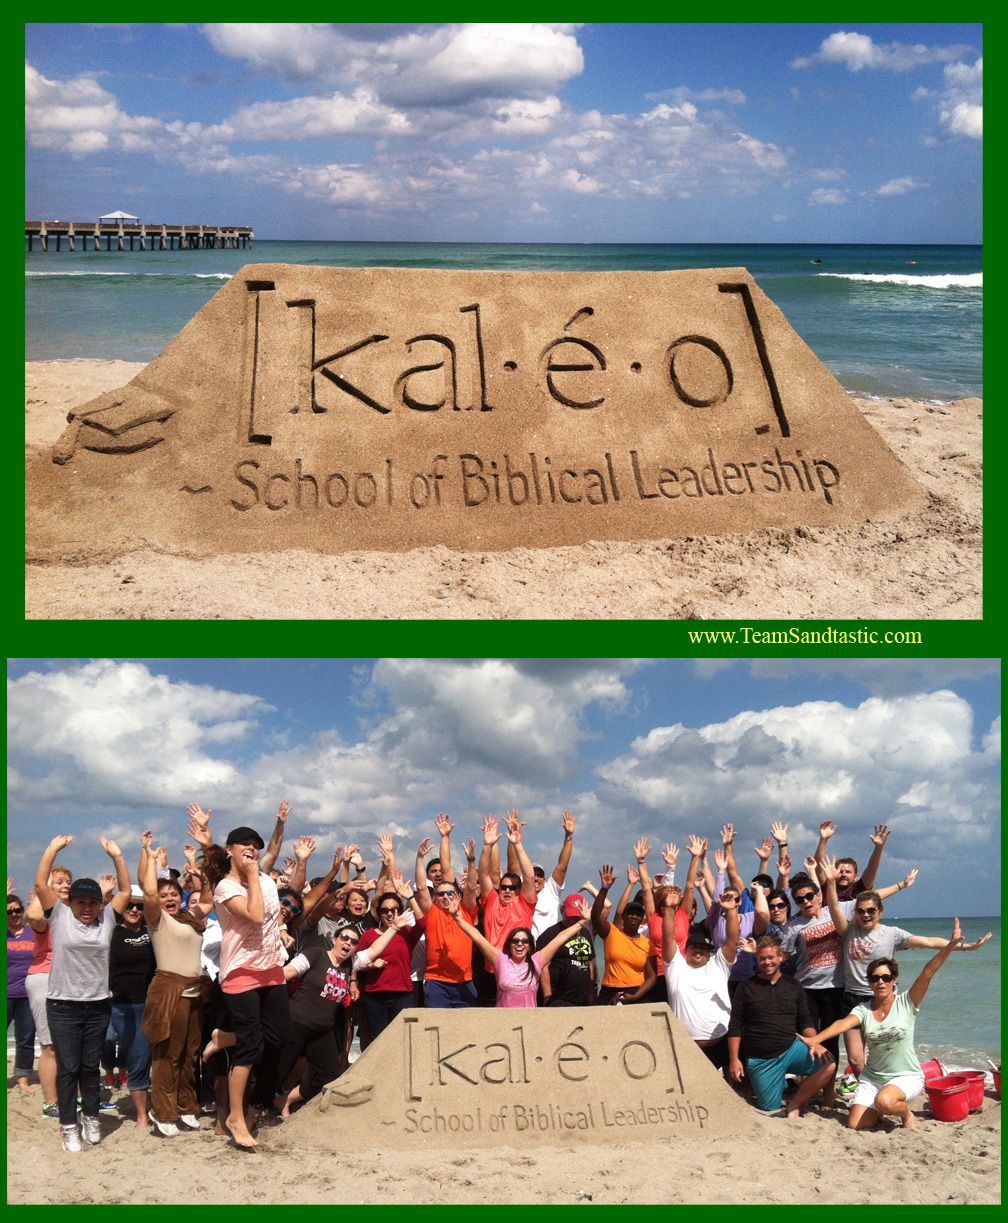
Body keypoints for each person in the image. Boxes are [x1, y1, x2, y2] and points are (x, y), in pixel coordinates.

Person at [819, 858, 992, 1076]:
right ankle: (868, 1088)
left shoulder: (892, 934)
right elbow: (833, 907)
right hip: (852, 999)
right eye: (861, 911)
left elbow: (927, 942)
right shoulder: (848, 931)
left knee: (883, 1054)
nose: (865, 915)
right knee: (855, 1058)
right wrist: (831, 883)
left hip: (883, 1001)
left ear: (880, 911)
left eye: (871, 910)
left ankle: (881, 1090)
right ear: (855, 912)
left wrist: (964, 946)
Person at [798, 920, 971, 1130]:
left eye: (886, 977)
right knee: (855, 1125)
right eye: (875, 978)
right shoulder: (863, 1010)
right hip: (872, 1079)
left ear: (894, 980)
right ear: (869, 982)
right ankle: (880, 1107)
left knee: (886, 1101)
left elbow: (927, 973)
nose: (881, 982)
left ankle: (906, 1115)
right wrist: (815, 1039)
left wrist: (950, 946)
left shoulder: (907, 1002)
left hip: (906, 1077)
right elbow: (843, 1024)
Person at [194, 805, 292, 1150]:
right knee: (252, 1046)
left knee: (280, 1036)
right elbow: (253, 914)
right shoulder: (225, 887)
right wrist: (251, 874)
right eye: (245, 844)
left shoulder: (264, 878)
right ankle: (235, 1116)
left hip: (271, 967)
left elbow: (274, 855)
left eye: (256, 844)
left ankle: (224, 1037)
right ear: (231, 851)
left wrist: (280, 822)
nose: (253, 848)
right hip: (240, 972)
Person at [34, 833, 132, 1152]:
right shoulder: (59, 916)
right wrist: (52, 848)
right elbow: (39, 887)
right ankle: (68, 1126)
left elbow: (127, 891)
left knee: (90, 1067)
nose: (87, 907)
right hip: (63, 1006)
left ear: (99, 903)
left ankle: (91, 1116)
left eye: (92, 902)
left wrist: (117, 857)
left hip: (97, 1006)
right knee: (69, 1068)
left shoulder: (107, 918)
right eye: (81, 902)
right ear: (70, 902)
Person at [276, 902, 415, 1113]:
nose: (348, 943)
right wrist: (261, 977)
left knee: (329, 1076)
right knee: (277, 1070)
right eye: (344, 938)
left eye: (354, 941)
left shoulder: (352, 963)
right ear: (334, 940)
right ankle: (251, 1112)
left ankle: (286, 1099)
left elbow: (375, 949)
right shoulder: (316, 954)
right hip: (296, 1022)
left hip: (322, 1030)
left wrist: (395, 928)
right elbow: (289, 972)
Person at [139, 829, 212, 1138]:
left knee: (190, 1053)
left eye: (173, 894)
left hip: (196, 991)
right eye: (164, 894)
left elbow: (208, 898)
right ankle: (164, 1111)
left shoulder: (190, 918)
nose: (168, 898)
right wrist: (150, 857)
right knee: (168, 1054)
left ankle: (186, 1105)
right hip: (171, 993)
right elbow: (150, 895)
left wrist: (199, 870)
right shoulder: (159, 921)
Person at [727, 935, 836, 1117]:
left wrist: (814, 1042)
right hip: (762, 1059)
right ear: (757, 959)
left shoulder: (793, 985)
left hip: (791, 1048)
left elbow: (805, 1021)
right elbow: (735, 1024)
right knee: (770, 1107)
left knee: (828, 1063)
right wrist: (734, 1059)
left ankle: (795, 1103)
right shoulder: (746, 986)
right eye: (762, 958)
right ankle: (777, 1090)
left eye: (771, 957)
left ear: (780, 957)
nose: (767, 962)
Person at [662, 838, 740, 1073]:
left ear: (709, 953)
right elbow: (668, 938)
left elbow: (732, 940)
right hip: (684, 1047)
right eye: (694, 948)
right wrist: (669, 909)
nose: (698, 951)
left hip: (721, 1046)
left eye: (703, 949)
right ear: (685, 951)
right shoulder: (675, 966)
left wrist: (731, 912)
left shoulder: (718, 965)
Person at [448, 892, 594, 1007]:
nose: (519, 944)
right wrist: (456, 917)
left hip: (529, 1023)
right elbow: (478, 937)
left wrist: (583, 922)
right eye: (515, 941)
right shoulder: (500, 960)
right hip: (504, 1022)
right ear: (509, 945)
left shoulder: (536, 961)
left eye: (524, 941)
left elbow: (560, 938)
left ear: (530, 946)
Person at [24, 865, 73, 1117]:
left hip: (72, 979)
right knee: (50, 1045)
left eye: (68, 882)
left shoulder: (74, 912)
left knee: (73, 1043)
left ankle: (75, 1097)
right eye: (59, 882)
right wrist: (41, 894)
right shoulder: (46, 914)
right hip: (44, 976)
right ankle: (51, 1102)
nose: (65, 886)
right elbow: (32, 917)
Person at [108, 884, 157, 1128]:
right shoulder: (111, 932)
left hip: (151, 1005)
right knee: (128, 1056)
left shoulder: (153, 931)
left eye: (140, 906)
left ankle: (148, 1112)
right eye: (130, 905)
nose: (135, 910)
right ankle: (139, 1113)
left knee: (147, 1058)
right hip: (121, 1006)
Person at [413, 835, 480, 1007]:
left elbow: (472, 887)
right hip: (437, 982)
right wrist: (420, 858)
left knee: (466, 1030)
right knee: (436, 1029)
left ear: (457, 896)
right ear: (435, 898)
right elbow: (421, 887)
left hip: (464, 981)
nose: (445, 897)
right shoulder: (432, 913)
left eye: (449, 893)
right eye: (440, 894)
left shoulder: (466, 911)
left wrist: (471, 860)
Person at [357, 874, 426, 1039]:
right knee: (378, 1040)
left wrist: (410, 897)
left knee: (402, 1039)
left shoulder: (407, 933)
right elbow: (357, 965)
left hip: (402, 995)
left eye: (395, 910)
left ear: (400, 912)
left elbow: (424, 923)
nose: (390, 914)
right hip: (375, 996)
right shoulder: (368, 935)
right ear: (379, 914)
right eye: (385, 910)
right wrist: (372, 965)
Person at [591, 863, 657, 1004]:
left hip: (636, 992)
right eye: (631, 913)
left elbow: (651, 977)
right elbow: (596, 915)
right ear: (624, 915)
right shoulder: (612, 933)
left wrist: (636, 996)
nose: (634, 916)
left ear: (642, 919)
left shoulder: (647, 944)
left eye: (638, 914)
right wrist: (604, 888)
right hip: (610, 989)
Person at [535, 894, 598, 1005]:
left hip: (582, 999)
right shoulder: (550, 935)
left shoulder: (585, 933)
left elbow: (589, 963)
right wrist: (547, 995)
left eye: (577, 917)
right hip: (559, 999)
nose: (573, 920)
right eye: (570, 916)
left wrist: (591, 993)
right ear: (563, 912)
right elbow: (543, 965)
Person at [7, 891, 37, 1096]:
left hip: (28, 994)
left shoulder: (33, 933)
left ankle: (23, 1078)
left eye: (17, 910)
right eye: (8, 911)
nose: (14, 914)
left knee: (25, 1038)